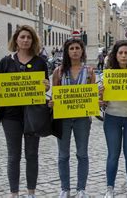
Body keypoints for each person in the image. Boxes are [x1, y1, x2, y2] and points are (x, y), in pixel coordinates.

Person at [0, 25, 50, 198]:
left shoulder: (40, 62)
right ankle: (14, 193)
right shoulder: (5, 61)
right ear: (16, 40)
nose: (25, 40)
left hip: (34, 114)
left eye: (29, 37)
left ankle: (31, 192)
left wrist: (46, 86)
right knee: (13, 156)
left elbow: (45, 86)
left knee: (32, 154)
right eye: (22, 37)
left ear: (33, 41)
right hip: (11, 116)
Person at [50, 38, 95, 198]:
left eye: (77, 48)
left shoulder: (89, 72)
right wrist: (52, 103)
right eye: (72, 48)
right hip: (63, 119)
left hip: (82, 119)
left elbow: (92, 95)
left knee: (82, 154)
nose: (75, 51)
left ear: (82, 51)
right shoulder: (59, 72)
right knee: (63, 155)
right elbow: (54, 93)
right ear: (67, 52)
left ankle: (81, 188)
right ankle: (65, 188)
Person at [101, 40, 127, 198]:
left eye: (126, 53)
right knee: (113, 154)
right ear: (115, 55)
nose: (123, 56)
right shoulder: (107, 74)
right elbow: (102, 100)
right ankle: (109, 188)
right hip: (112, 117)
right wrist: (100, 94)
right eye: (120, 53)